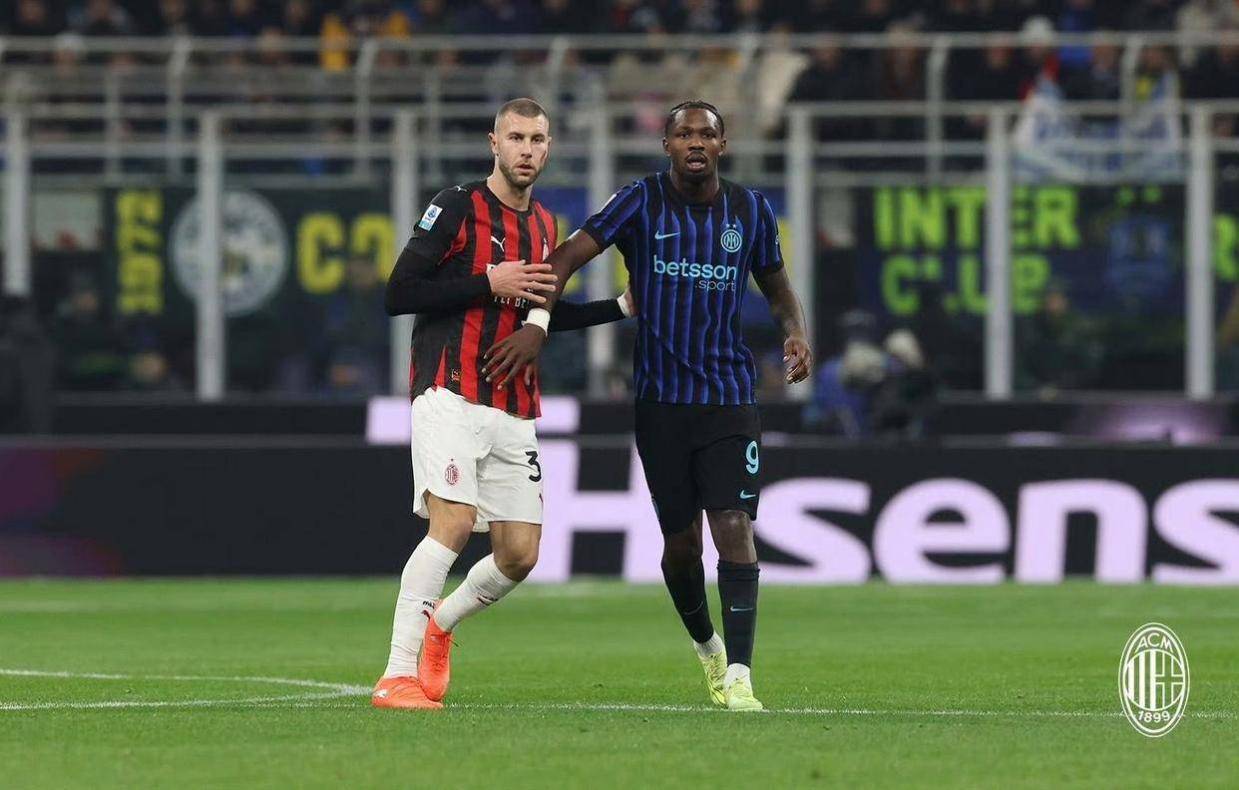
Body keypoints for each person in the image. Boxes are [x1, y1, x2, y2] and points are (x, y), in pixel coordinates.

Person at [483, 100, 813, 712]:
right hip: (661, 404)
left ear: (722, 144)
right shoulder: (639, 201)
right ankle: (708, 648)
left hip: (729, 397)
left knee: (733, 526)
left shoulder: (751, 209)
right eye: (684, 133)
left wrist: (795, 332)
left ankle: (741, 675)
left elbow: (777, 287)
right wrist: (536, 324)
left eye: (706, 134)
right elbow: (565, 258)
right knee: (682, 547)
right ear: (667, 145)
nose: (695, 143)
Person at [375, 97, 634, 711]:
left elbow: (539, 311)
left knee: (519, 555)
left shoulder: (545, 225)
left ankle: (440, 625)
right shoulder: (456, 205)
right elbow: (398, 292)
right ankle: (396, 675)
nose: (526, 150)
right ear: (494, 143)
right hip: (449, 389)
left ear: (549, 148)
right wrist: (486, 282)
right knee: (453, 524)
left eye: (537, 140)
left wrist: (619, 308)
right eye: (516, 137)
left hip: (513, 403)